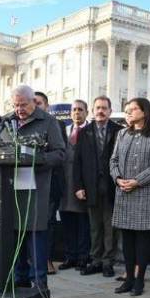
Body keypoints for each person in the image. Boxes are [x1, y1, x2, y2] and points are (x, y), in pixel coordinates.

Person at [5, 85, 66, 291]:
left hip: (36, 186)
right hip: (11, 186)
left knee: (35, 233)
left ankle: (39, 282)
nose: (19, 109)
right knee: (14, 233)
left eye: (23, 105)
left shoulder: (48, 122)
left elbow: (60, 154)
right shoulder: (7, 121)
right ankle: (18, 277)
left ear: (34, 102)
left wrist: (36, 159)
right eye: (15, 105)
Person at [110, 97, 150, 297]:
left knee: (143, 239)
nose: (129, 112)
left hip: (145, 193)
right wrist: (118, 178)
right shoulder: (122, 134)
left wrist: (137, 181)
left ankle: (140, 279)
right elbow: (113, 160)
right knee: (127, 238)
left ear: (145, 111)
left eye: (134, 109)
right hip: (123, 192)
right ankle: (128, 279)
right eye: (127, 109)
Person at [74, 95, 122, 278]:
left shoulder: (119, 131)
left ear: (110, 111)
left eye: (104, 108)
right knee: (95, 226)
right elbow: (77, 162)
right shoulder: (84, 132)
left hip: (111, 186)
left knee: (110, 226)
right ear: (93, 111)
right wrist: (78, 186)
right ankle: (95, 260)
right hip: (91, 187)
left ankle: (108, 262)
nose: (101, 111)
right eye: (98, 108)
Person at [34, 90, 66, 276]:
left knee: (47, 222)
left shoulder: (55, 124)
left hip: (50, 181)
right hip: (26, 182)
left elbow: (60, 153)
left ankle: (46, 259)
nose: (36, 106)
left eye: (39, 103)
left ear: (46, 105)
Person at [59, 100, 91, 271]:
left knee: (83, 224)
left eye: (80, 110)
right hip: (65, 185)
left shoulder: (91, 132)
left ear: (86, 112)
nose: (77, 113)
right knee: (67, 223)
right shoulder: (64, 131)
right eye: (74, 110)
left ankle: (83, 257)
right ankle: (70, 256)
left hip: (82, 186)